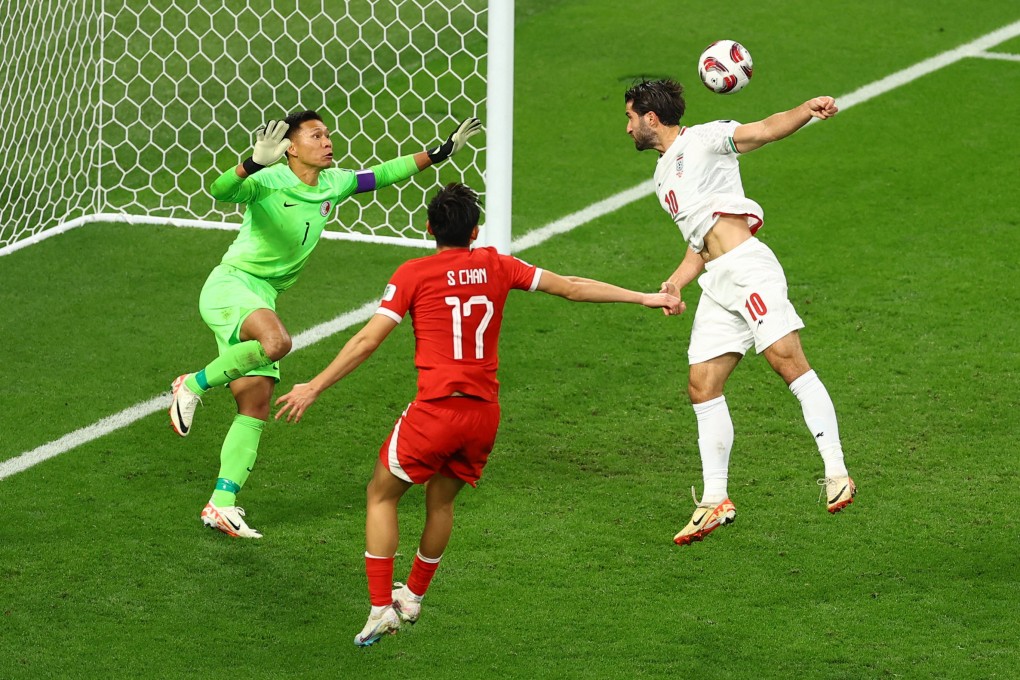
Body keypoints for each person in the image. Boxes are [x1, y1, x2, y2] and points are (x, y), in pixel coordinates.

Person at [274, 182, 681, 646]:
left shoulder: (412, 274)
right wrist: (646, 297)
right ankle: (414, 597)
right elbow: (572, 288)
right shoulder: (497, 265)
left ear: (429, 228)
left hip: (436, 411)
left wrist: (315, 385)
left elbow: (368, 340)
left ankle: (380, 606)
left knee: (380, 495)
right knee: (441, 502)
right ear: (476, 232)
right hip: (483, 415)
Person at [168, 110, 483, 539]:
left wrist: (437, 153)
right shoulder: (267, 180)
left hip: (263, 295)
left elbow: (382, 175)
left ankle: (221, 504)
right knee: (278, 342)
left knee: (255, 404)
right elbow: (220, 189)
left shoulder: (334, 183)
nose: (328, 141)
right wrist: (253, 163)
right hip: (231, 286)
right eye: (317, 136)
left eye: (328, 134)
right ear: (291, 147)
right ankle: (193, 384)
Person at [623, 78, 856, 547]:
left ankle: (837, 472)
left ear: (651, 117)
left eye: (630, 117)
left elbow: (765, 130)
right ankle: (714, 500)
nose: (626, 128)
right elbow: (699, 245)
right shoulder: (662, 176)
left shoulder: (705, 139)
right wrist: (676, 282)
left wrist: (806, 108)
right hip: (718, 282)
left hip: (749, 269)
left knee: (787, 362)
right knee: (701, 384)